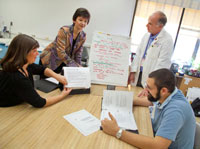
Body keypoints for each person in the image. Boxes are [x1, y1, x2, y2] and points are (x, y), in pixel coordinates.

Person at [102, 68, 196, 149]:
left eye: (149, 88)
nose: (146, 90)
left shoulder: (176, 110)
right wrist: (120, 101)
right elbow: (150, 101)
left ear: (163, 90)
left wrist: (117, 131)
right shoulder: (169, 93)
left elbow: (158, 146)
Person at [0, 34, 72, 108]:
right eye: (34, 51)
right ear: (24, 53)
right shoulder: (17, 78)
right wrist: (62, 95)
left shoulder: (24, 64)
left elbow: (42, 69)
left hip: (20, 101)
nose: (37, 54)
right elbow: (40, 103)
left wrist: (57, 76)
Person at [128, 11, 173, 96]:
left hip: (151, 78)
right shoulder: (146, 36)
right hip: (138, 74)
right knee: (133, 95)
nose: (146, 25)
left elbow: (162, 65)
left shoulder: (167, 40)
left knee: (143, 101)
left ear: (160, 26)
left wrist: (150, 85)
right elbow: (138, 54)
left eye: (150, 24)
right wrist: (132, 71)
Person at [40, 8, 91, 73]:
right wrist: (75, 65)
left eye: (85, 21)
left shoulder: (83, 36)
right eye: (80, 20)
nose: (83, 23)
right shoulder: (64, 30)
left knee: (61, 81)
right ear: (74, 20)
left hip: (65, 63)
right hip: (50, 60)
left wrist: (79, 67)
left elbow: (78, 54)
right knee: (46, 82)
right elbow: (60, 52)